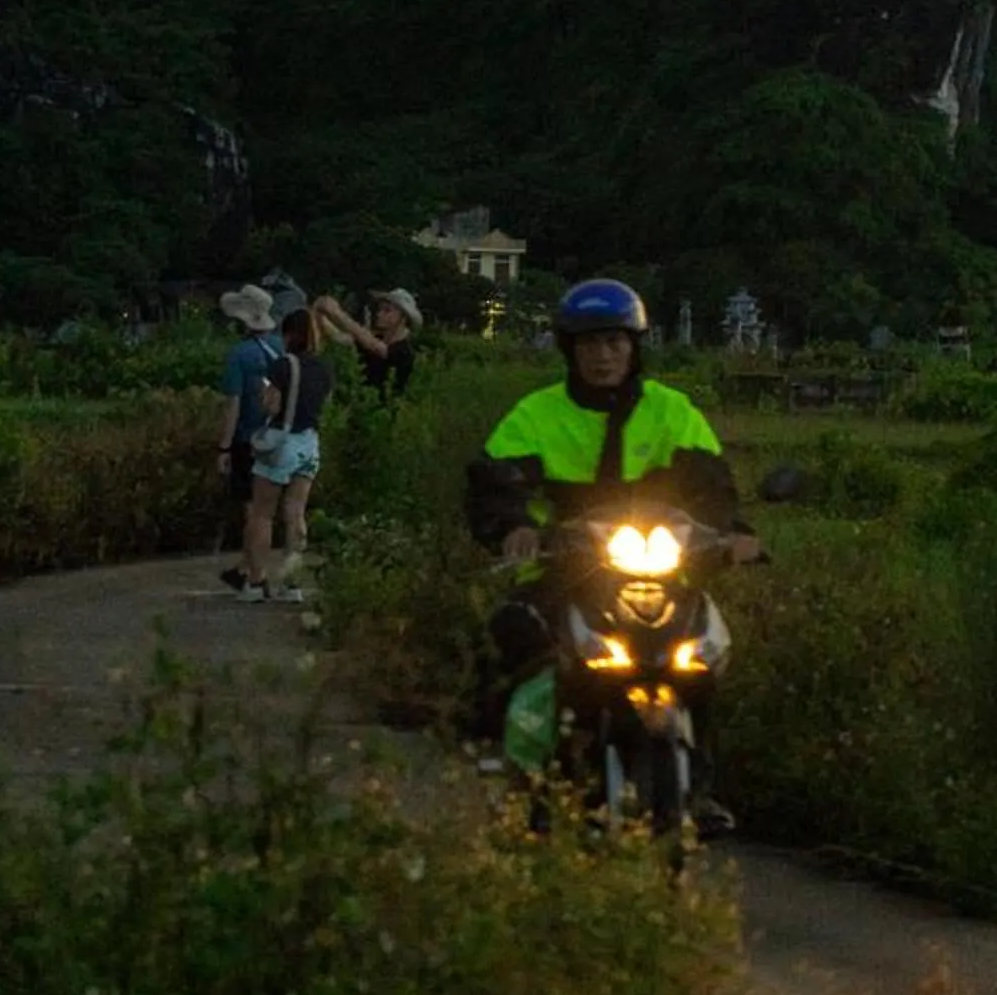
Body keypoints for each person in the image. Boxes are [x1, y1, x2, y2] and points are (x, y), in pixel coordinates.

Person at [465, 278, 760, 820]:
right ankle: (510, 763)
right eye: (589, 344)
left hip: (662, 569)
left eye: (613, 342)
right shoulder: (536, 415)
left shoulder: (672, 411)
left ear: (634, 347)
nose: (602, 356)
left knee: (703, 651)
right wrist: (513, 527)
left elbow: (713, 488)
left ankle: (698, 780)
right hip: (564, 568)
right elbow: (494, 481)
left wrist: (734, 534)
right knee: (512, 629)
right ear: (569, 350)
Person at [239, 303, 335, 602]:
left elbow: (272, 405)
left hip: (282, 442)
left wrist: (263, 397)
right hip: (310, 443)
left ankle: (256, 582)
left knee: (262, 513)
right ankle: (292, 584)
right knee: (296, 513)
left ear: (290, 334)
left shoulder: (283, 365)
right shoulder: (324, 368)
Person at [214, 284, 286, 584]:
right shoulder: (281, 348)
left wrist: (224, 446)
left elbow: (234, 403)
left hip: (248, 438)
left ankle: (254, 571)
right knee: (269, 508)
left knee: (251, 508)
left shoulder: (239, 355)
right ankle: (247, 566)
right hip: (279, 436)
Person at [315, 285, 420, 399]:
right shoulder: (377, 338)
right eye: (380, 309)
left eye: (387, 310)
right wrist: (319, 315)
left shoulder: (405, 350)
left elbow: (376, 347)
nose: (379, 314)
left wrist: (337, 313)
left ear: (403, 318)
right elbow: (340, 337)